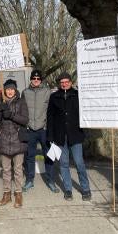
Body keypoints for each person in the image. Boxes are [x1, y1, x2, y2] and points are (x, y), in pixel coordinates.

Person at [47, 72, 91, 201]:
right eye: (62, 82)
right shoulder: (54, 97)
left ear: (71, 82)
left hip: (75, 135)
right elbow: (50, 117)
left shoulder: (77, 95)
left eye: (66, 82)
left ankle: (86, 189)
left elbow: (85, 114)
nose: (64, 84)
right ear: (59, 84)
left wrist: (85, 131)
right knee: (63, 164)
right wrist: (50, 136)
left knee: (79, 163)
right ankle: (68, 189)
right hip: (59, 136)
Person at [0, 79, 29, 208]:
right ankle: (6, 194)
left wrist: (11, 114)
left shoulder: (21, 102)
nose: (10, 91)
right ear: (4, 90)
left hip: (18, 140)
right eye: (7, 89)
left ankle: (18, 194)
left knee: (18, 169)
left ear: (15, 90)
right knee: (6, 170)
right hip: (3, 140)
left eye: (12, 89)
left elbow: (25, 120)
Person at [21, 69, 58, 193]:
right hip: (30, 129)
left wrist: (48, 127)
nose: (36, 80)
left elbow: (51, 111)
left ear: (41, 80)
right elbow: (22, 110)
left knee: (49, 156)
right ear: (31, 79)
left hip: (43, 130)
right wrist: (25, 124)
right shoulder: (25, 92)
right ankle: (29, 180)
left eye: (38, 79)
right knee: (30, 157)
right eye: (34, 78)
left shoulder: (47, 92)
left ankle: (51, 180)